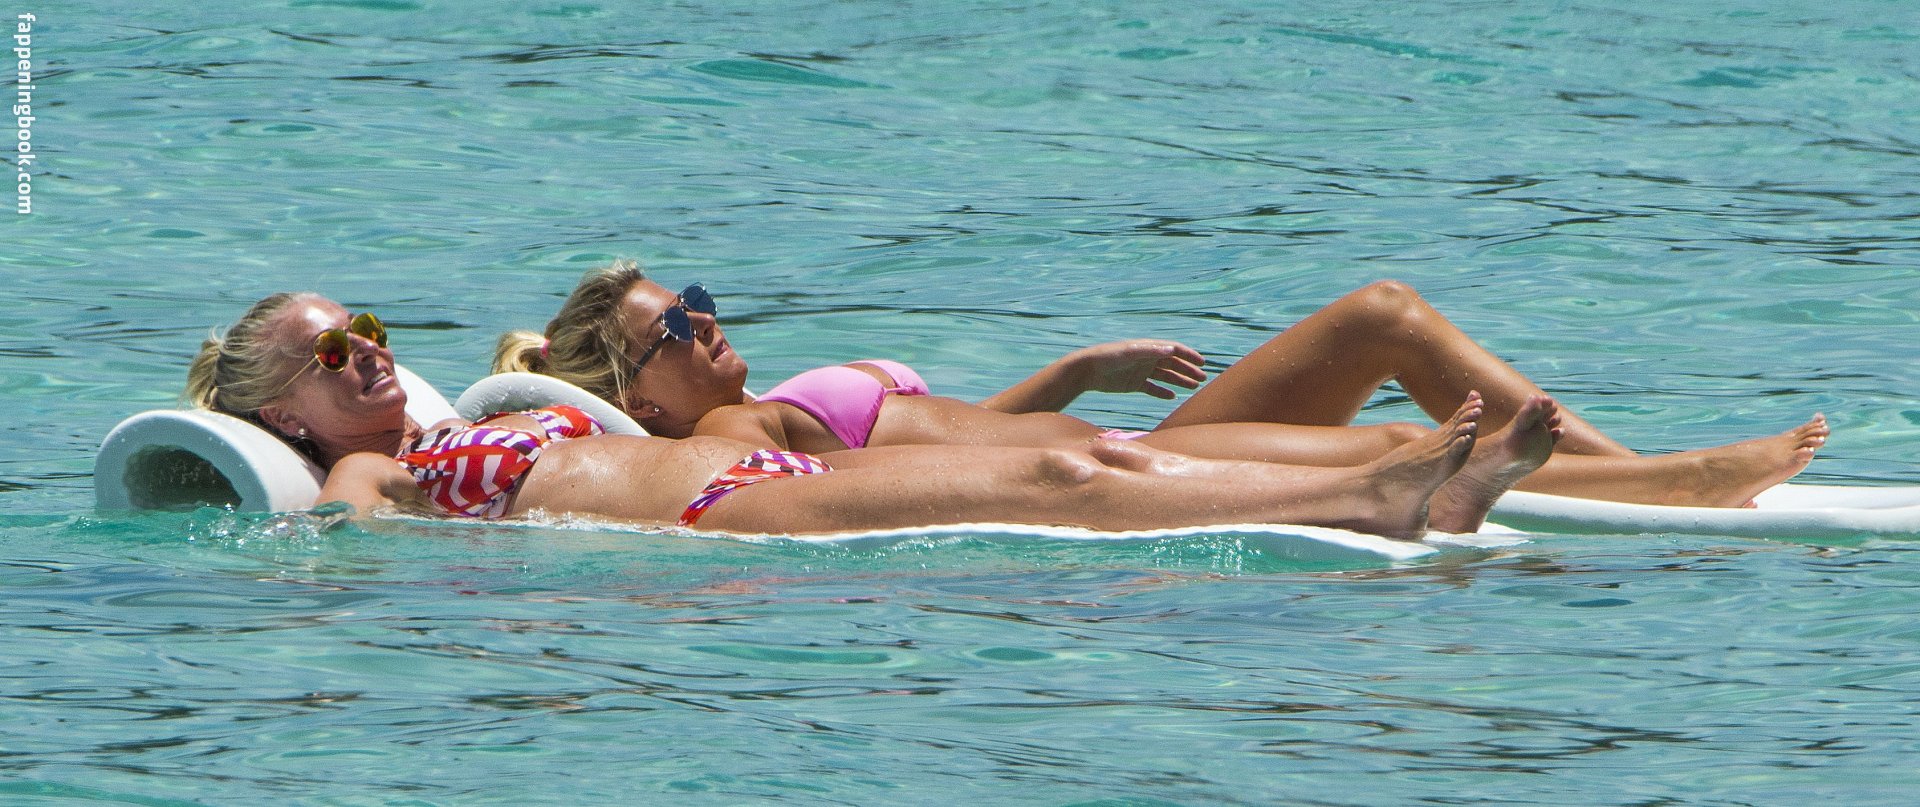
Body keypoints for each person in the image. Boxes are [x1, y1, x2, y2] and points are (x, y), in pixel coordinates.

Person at [186, 292, 1559, 538]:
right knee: (1064, 484)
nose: (369, 356)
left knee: (1081, 467)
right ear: (283, 413)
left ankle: (1403, 489)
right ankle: (1384, 496)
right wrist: (341, 526)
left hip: (747, 492)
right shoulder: (379, 477)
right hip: (724, 520)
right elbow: (346, 530)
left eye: (369, 332)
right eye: (332, 355)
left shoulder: (453, 433)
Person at [496, 261, 1827, 508]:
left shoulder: (766, 396)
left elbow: (950, 430)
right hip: (1142, 466)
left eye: (700, 301)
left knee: (1389, 323)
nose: (710, 325)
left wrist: (1078, 369)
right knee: (1389, 344)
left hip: (1123, 434)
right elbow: (902, 476)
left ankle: (1644, 472)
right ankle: (1667, 484)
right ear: (643, 400)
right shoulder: (727, 433)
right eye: (677, 329)